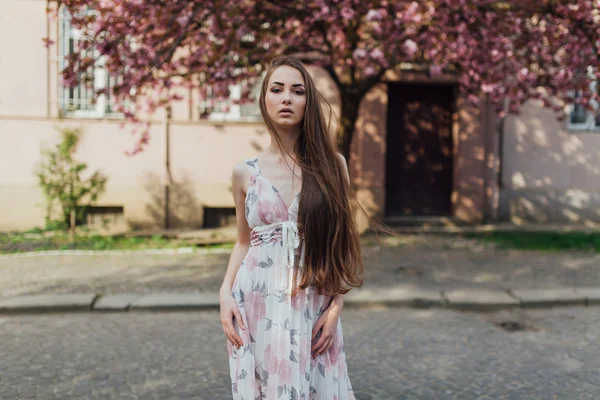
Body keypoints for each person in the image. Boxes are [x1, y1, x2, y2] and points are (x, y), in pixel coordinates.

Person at [219, 55, 363, 400]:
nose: (287, 98)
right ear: (264, 99)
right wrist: (224, 293)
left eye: (297, 91)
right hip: (256, 300)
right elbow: (243, 241)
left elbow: (342, 243)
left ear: (308, 102)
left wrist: (337, 306)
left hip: (313, 299)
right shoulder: (244, 172)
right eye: (277, 89)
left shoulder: (332, 167)